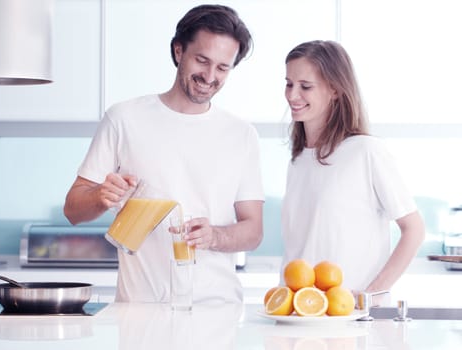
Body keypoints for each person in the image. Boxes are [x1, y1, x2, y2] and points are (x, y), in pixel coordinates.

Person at [64, 5, 264, 303]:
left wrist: (216, 237)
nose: (210, 76)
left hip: (215, 311)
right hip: (139, 310)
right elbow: (73, 210)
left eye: (223, 68)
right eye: (202, 60)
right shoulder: (124, 118)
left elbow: (253, 230)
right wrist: (100, 196)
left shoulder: (241, 134)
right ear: (178, 50)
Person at [280, 40, 425, 298]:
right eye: (289, 83)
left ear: (335, 89)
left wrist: (371, 296)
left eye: (305, 86)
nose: (292, 95)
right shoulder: (298, 159)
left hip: (351, 316)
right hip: (299, 313)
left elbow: (414, 230)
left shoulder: (365, 152)